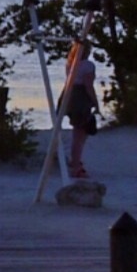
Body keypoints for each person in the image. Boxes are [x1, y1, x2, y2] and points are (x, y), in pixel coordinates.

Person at [59, 38, 99, 181]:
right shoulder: (87, 65)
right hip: (80, 98)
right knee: (80, 134)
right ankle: (76, 165)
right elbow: (88, 86)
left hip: (69, 95)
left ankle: (75, 161)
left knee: (78, 132)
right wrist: (96, 102)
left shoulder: (70, 63)